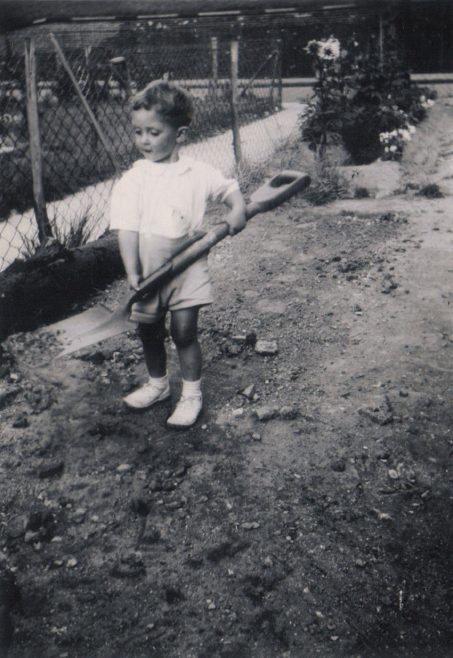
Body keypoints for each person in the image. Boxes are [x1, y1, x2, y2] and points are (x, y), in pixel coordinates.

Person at [109, 80, 247, 428]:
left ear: (180, 133)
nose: (143, 140)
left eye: (153, 132)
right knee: (149, 332)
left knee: (184, 332)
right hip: (150, 272)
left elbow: (228, 189)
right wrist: (132, 271)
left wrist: (238, 208)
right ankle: (158, 385)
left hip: (186, 267)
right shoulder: (133, 179)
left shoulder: (196, 173)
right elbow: (125, 226)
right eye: (138, 131)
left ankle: (191, 394)